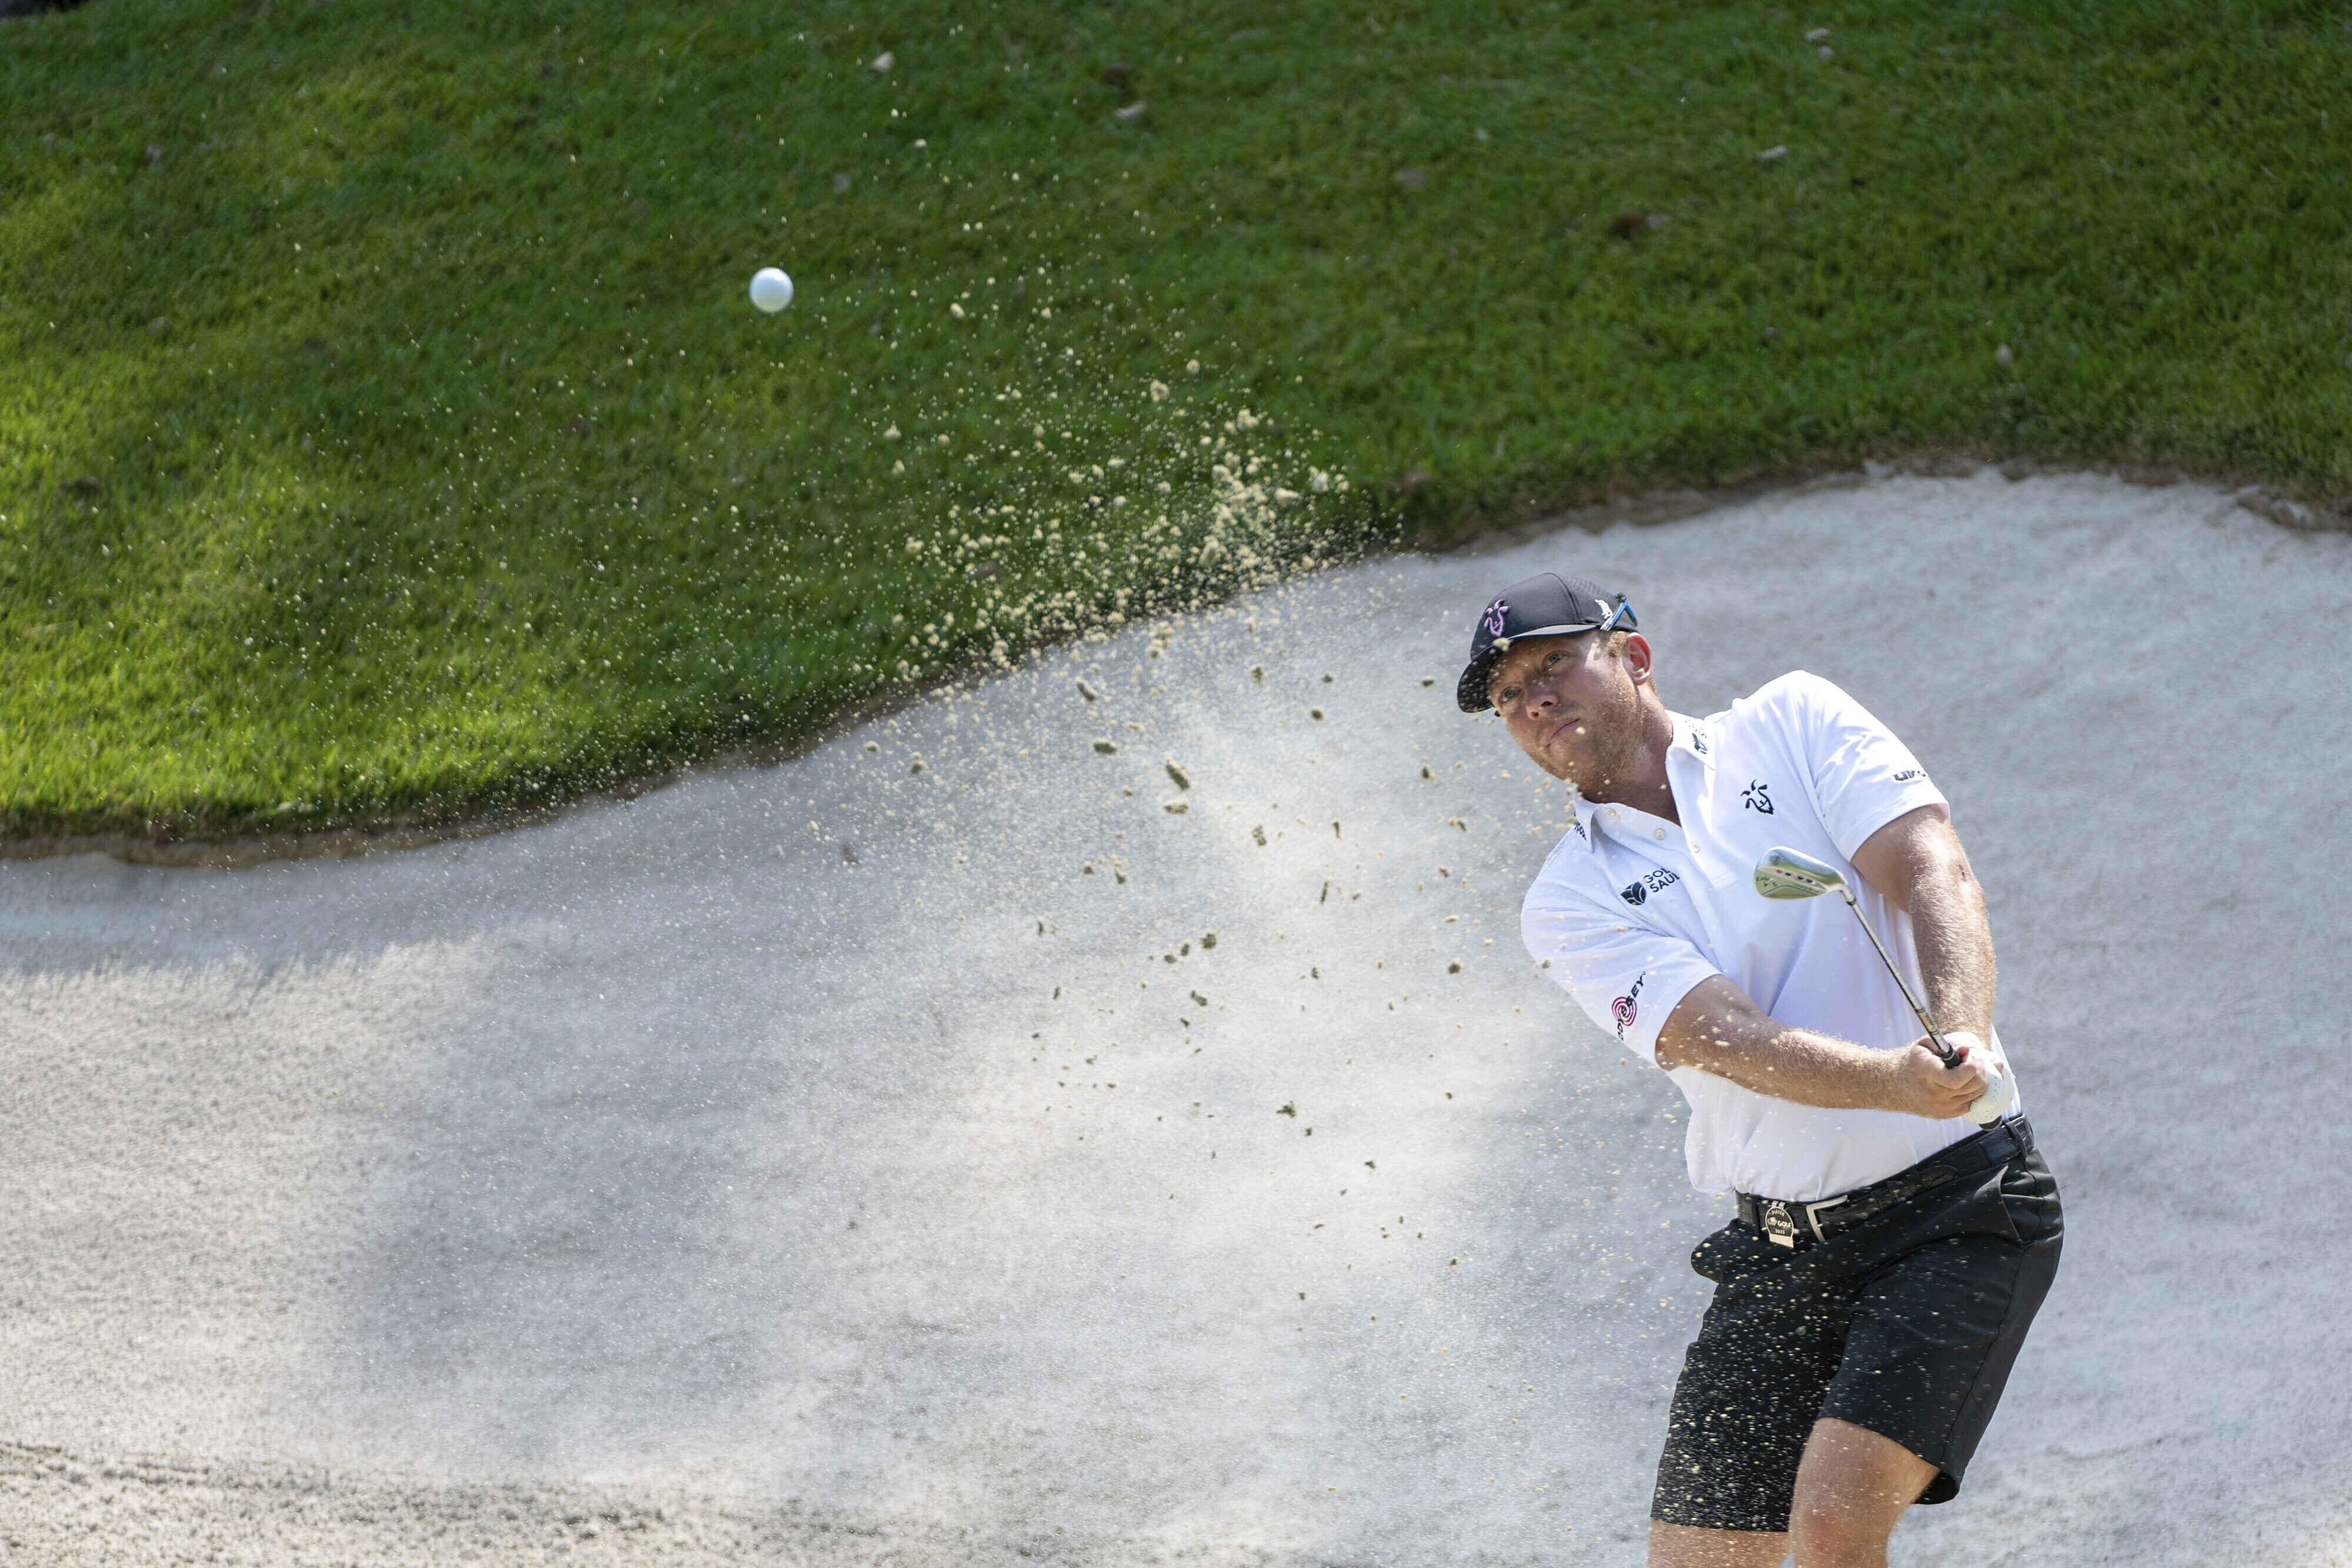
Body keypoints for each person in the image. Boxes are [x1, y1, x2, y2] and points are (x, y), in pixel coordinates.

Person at [1455, 572, 2062, 1568]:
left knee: (1832, 1523)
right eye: (1509, 695)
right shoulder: (1568, 899)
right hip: (1778, 1257)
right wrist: (1894, 1078)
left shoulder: (1792, 721)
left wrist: (1961, 1039)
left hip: (1958, 1212)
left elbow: (1929, 868)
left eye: (1554, 664)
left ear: (1634, 658)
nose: (1534, 702)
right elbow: (1722, 1036)